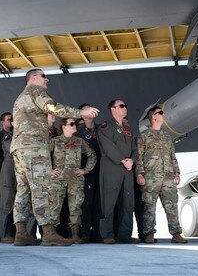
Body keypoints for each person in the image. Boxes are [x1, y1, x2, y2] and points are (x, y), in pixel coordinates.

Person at [11, 68, 99, 246]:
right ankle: (49, 233)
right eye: (44, 76)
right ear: (33, 78)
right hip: (34, 148)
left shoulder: (20, 97)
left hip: (19, 148)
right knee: (42, 188)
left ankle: (21, 233)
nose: (47, 80)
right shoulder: (36, 90)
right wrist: (81, 113)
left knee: (23, 189)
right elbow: (53, 107)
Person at [135, 106, 187, 244]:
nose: (163, 116)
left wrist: (176, 171)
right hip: (150, 177)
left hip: (168, 177)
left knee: (172, 206)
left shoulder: (166, 136)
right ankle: (149, 234)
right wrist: (139, 174)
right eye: (161, 113)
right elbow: (138, 157)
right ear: (154, 117)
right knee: (149, 207)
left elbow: (172, 155)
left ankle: (176, 234)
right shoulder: (144, 136)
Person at [50, 118, 96, 244]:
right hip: (57, 180)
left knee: (75, 207)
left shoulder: (80, 142)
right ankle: (51, 234)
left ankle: (75, 235)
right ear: (64, 127)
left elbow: (92, 155)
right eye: (71, 124)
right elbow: (43, 157)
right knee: (55, 206)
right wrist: (49, 170)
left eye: (75, 124)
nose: (74, 126)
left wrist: (85, 170)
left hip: (75, 179)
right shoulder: (54, 141)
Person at [98, 99, 138, 244]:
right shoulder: (105, 126)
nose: (125, 108)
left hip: (127, 168)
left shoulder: (127, 128)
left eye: (125, 105)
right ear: (113, 109)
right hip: (112, 167)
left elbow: (134, 147)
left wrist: (132, 160)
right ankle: (107, 234)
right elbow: (109, 147)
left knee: (128, 201)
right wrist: (123, 160)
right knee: (109, 201)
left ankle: (125, 235)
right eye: (121, 106)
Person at [75, 103, 102, 243]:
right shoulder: (78, 131)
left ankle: (96, 233)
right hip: (85, 171)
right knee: (86, 202)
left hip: (100, 170)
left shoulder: (101, 129)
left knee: (98, 202)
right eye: (86, 110)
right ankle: (85, 233)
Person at [0, 112, 15, 243]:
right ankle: (4, 233)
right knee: (5, 203)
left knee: (16, 204)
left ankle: (15, 232)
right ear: (2, 122)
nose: (11, 122)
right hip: (5, 171)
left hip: (17, 172)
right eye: (9, 120)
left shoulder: (17, 135)